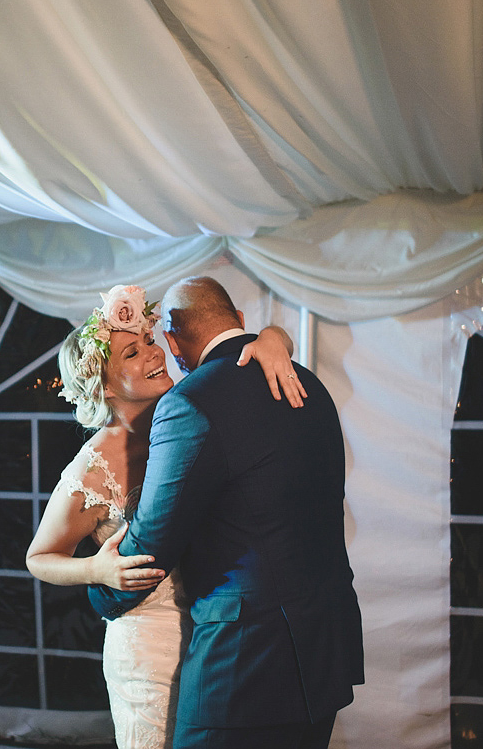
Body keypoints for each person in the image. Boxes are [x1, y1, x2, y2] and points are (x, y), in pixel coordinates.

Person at [89, 276, 364, 749]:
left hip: (244, 664)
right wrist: (275, 338)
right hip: (324, 649)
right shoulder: (310, 385)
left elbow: (153, 541)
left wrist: (102, 591)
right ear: (240, 322)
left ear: (172, 342)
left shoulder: (190, 402)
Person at [25, 284, 303, 749]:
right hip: (145, 651)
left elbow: (240, 361)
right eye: (132, 353)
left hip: (209, 640)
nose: (155, 355)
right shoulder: (92, 467)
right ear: (106, 386)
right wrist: (98, 568)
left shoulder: (186, 420)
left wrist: (274, 336)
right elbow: (40, 557)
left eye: (150, 342)